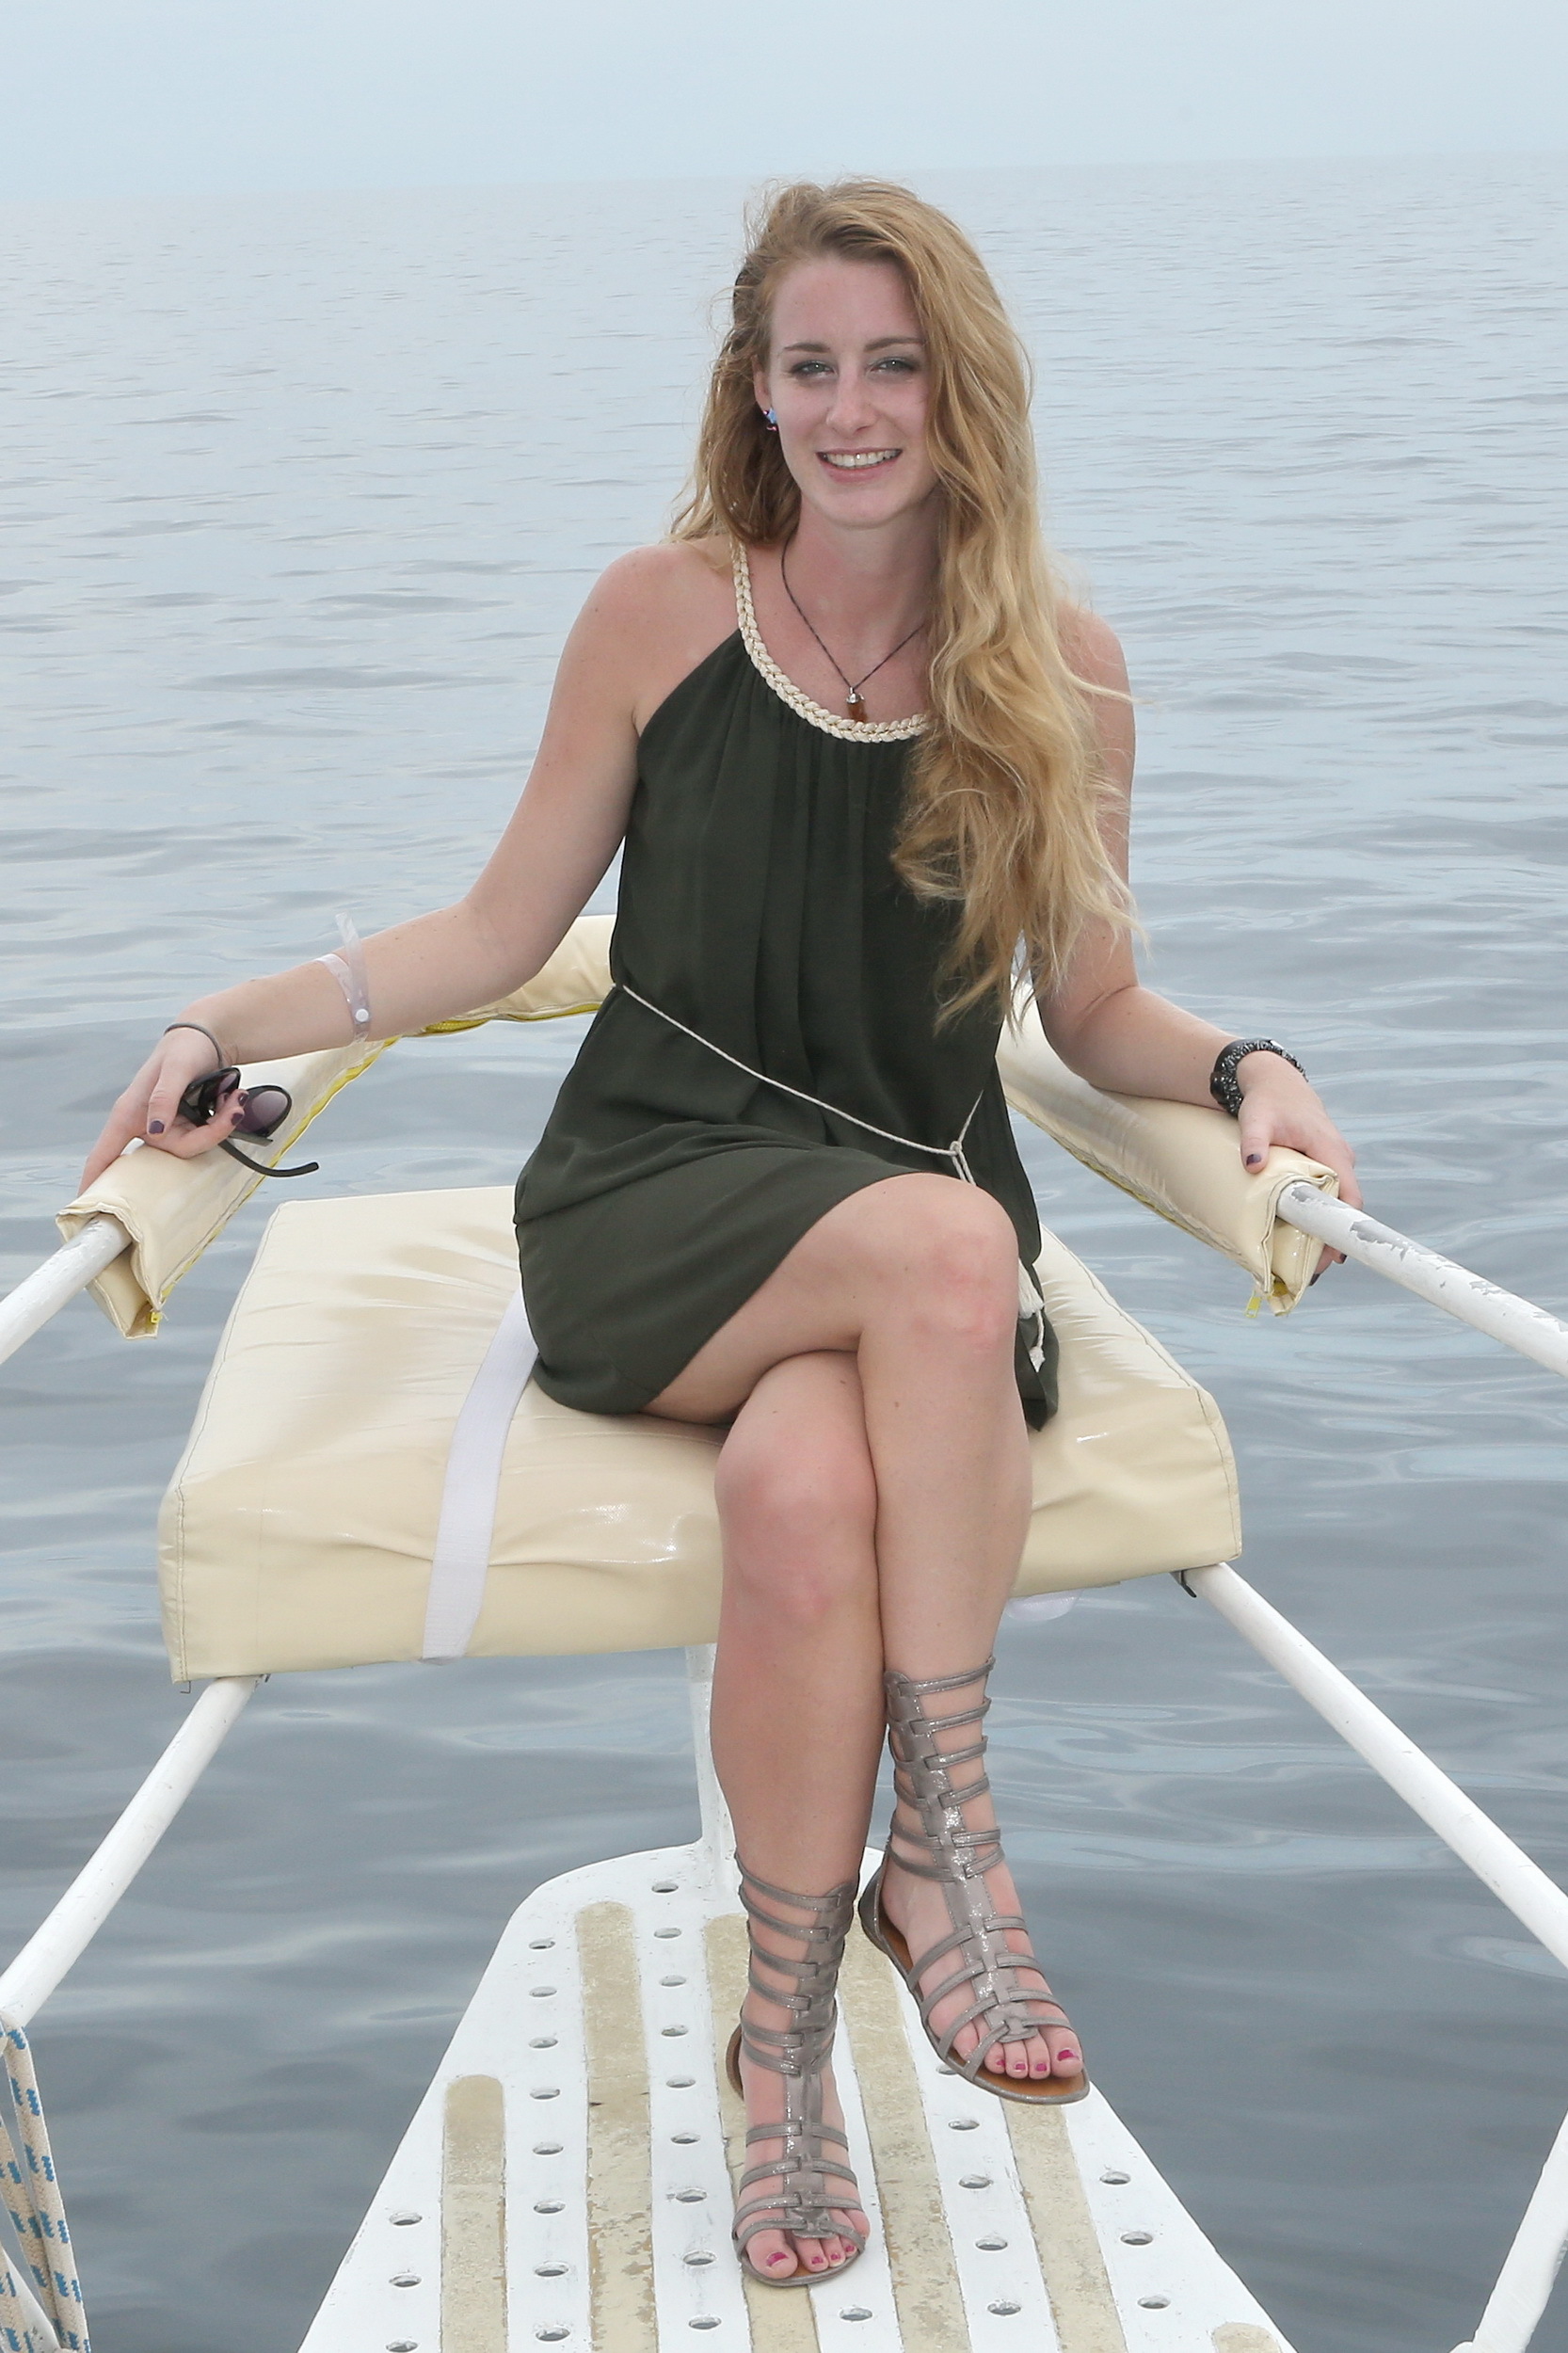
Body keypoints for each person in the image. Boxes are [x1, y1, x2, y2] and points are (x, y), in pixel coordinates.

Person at [84, 179, 1359, 2288]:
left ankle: (783, 2058)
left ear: (959, 387)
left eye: (891, 365)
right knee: (946, 1253)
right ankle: (946, 1862)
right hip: (662, 1195)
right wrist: (233, 1016)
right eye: (808, 366)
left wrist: (1249, 1072)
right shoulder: (659, 612)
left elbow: (1090, 1010)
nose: (850, 410)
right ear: (752, 391)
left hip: (902, 1229)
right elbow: (496, 929)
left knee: (803, 1486)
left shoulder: (1062, 666)